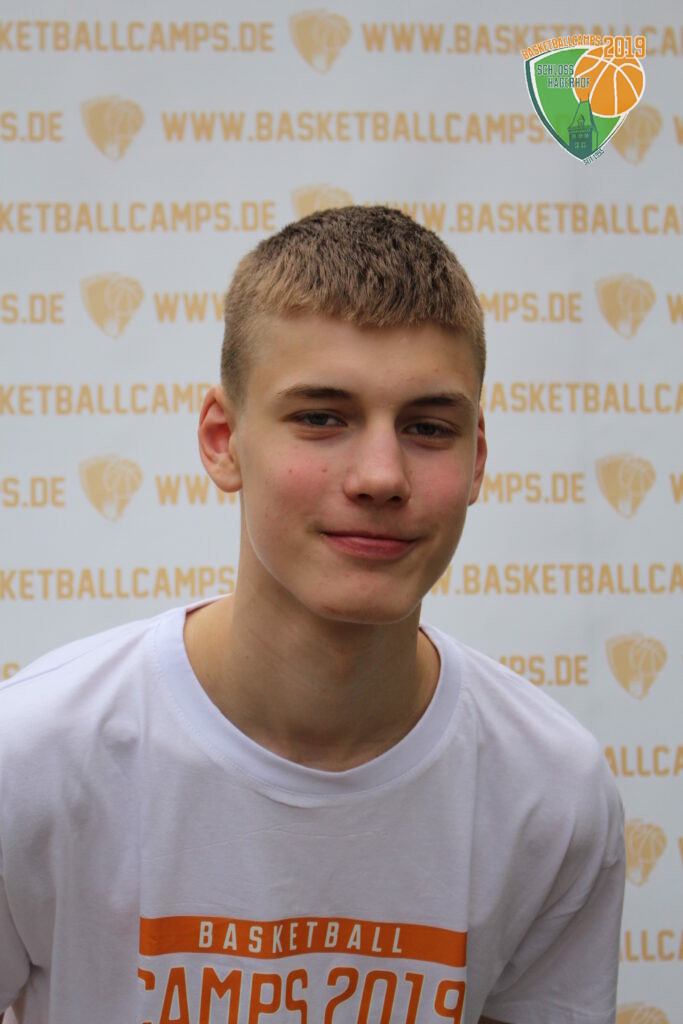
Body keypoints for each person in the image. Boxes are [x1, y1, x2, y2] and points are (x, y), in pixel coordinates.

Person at [0, 206, 624, 1023]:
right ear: (222, 440)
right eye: (321, 418)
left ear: (475, 460)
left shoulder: (552, 791)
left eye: (427, 427)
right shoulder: (33, 757)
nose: (380, 475)